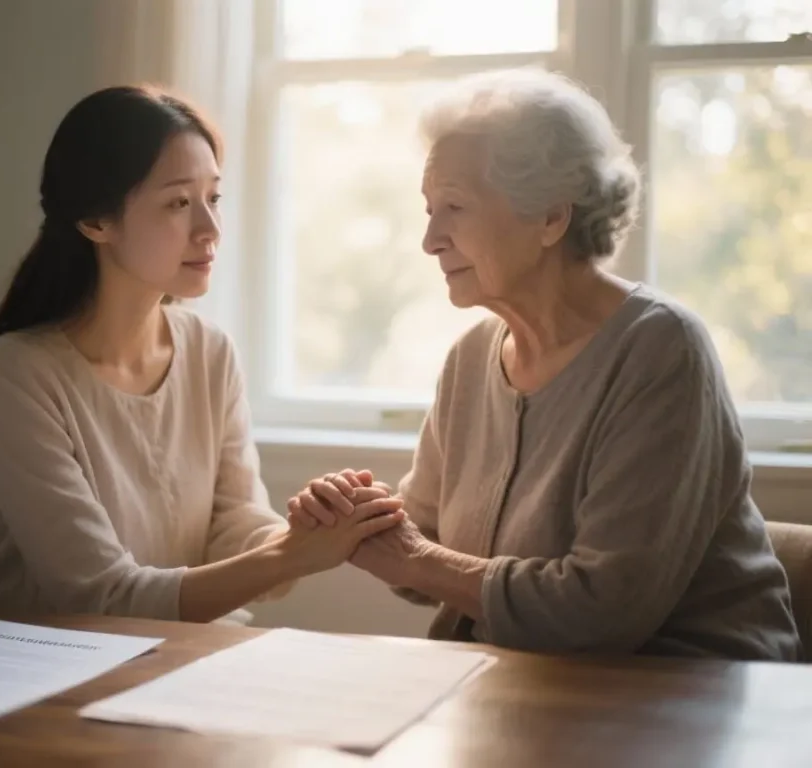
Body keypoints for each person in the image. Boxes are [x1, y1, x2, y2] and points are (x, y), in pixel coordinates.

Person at [291, 69, 801, 661]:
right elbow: (421, 551)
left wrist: (413, 557)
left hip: (687, 688)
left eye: (454, 207)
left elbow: (601, 612)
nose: (430, 239)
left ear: (552, 218)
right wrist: (361, 520)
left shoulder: (661, 349)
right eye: (429, 210)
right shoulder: (471, 358)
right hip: (524, 680)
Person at [0, 85, 404, 623]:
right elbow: (101, 598)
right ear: (96, 221)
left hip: (186, 652)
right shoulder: (15, 374)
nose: (210, 230)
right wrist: (291, 556)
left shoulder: (210, 351)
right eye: (178, 203)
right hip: (53, 660)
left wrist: (306, 530)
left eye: (213, 198)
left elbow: (233, 524)